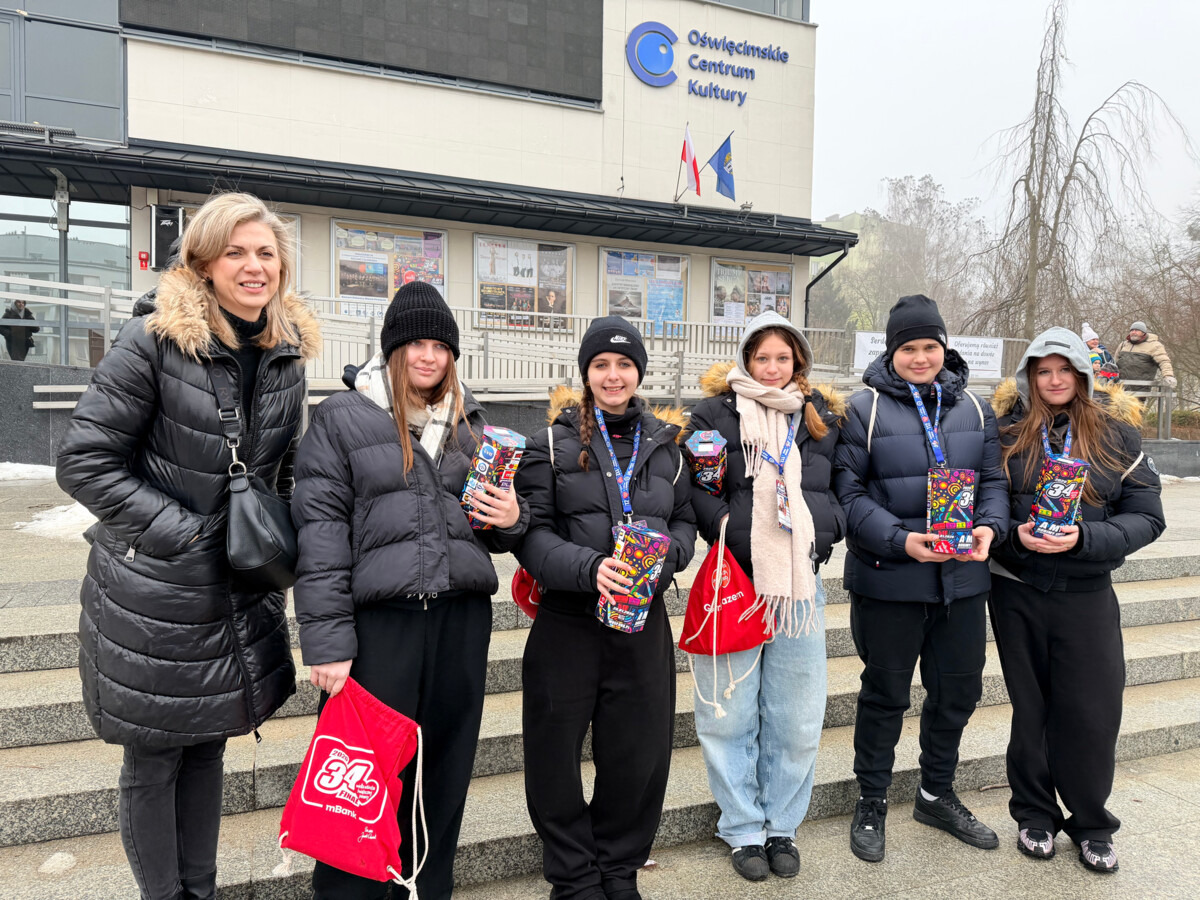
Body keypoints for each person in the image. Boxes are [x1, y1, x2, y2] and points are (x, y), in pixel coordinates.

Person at [55, 192, 319, 900]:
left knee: (206, 749)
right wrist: (186, 533)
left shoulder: (285, 352)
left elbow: (282, 468)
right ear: (201, 262)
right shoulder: (151, 340)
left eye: (265, 252)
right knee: (155, 761)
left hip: (234, 589)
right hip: (153, 592)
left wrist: (288, 531)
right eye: (235, 252)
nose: (253, 266)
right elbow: (83, 460)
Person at [290, 281, 529, 900]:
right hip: (382, 630)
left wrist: (512, 517)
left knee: (443, 776)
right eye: (417, 343)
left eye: (441, 346)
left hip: (460, 621)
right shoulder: (342, 418)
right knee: (361, 782)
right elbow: (320, 537)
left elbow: (493, 534)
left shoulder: (470, 427)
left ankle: (427, 891)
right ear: (393, 348)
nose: (429, 357)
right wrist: (325, 641)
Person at [515, 315, 697, 900]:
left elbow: (685, 522)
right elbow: (532, 536)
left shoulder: (668, 447)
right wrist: (593, 570)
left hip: (642, 622)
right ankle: (573, 877)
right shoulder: (553, 442)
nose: (613, 375)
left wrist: (666, 558)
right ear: (586, 373)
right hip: (570, 620)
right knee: (553, 755)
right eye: (601, 365)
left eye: (623, 364)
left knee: (638, 755)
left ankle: (619, 871)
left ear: (638, 371)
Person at [834, 294, 1009, 863]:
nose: (919, 357)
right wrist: (901, 540)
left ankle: (936, 793)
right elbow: (848, 494)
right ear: (892, 352)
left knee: (957, 692)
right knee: (885, 694)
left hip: (962, 582)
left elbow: (992, 482)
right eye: (908, 348)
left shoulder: (975, 410)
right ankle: (872, 800)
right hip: (890, 580)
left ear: (944, 348)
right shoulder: (865, 409)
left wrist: (989, 528)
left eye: (929, 346)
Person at [988, 328, 1165, 874]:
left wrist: (1086, 538)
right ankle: (1035, 813)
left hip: (1087, 594)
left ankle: (1091, 822)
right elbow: (983, 505)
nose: (1056, 379)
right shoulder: (1006, 435)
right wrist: (1016, 535)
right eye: (1044, 370)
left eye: (1065, 369)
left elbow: (1148, 516)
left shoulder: (1116, 437)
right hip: (1018, 590)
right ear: (1030, 376)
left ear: (1084, 375)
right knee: (1032, 709)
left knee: (1091, 712)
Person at [684, 311, 846, 881]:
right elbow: (696, 489)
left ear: (797, 361)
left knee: (797, 716)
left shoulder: (821, 417)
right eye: (761, 357)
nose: (772, 368)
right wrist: (733, 526)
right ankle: (743, 827)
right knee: (727, 711)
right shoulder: (711, 415)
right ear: (746, 360)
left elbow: (844, 487)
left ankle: (781, 824)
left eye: (783, 357)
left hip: (800, 584)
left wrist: (820, 531)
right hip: (735, 579)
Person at [1114, 321, 1175, 389]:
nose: (1133, 332)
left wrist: (1168, 375)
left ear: (1143, 333)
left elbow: (1164, 361)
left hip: (1140, 388)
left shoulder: (1154, 345)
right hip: (1120, 387)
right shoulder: (1124, 344)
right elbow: (1114, 363)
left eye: (1137, 330)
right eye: (1132, 330)